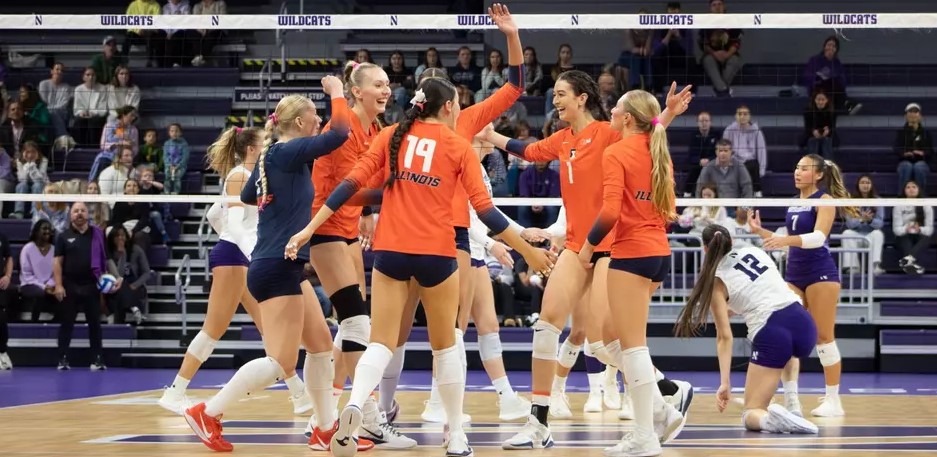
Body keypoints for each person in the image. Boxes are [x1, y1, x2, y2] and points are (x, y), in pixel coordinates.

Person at [285, 76, 555, 457]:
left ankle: (356, 405)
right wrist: (526, 250)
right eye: (458, 103)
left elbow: (347, 186)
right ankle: (456, 435)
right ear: (447, 107)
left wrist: (309, 228)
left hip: (391, 253)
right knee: (445, 347)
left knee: (379, 341)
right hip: (438, 254)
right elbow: (485, 212)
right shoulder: (457, 145)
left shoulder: (391, 135)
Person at [486, 76, 692, 450]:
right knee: (546, 324)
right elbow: (530, 153)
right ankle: (539, 422)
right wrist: (493, 138)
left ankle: (663, 395)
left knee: (601, 343)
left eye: (561, 95)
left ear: (581, 99)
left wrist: (667, 114)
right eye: (553, 96)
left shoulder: (606, 133)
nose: (555, 101)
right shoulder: (562, 140)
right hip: (577, 244)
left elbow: (645, 133)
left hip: (611, 246)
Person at [183, 76, 359, 453]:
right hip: (274, 265)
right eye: (315, 116)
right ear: (298, 122)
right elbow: (341, 132)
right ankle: (208, 412)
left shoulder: (270, 157)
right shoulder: (284, 152)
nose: (320, 123)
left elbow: (250, 195)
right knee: (280, 361)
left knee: (321, 346)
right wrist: (339, 92)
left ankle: (325, 428)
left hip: (281, 263)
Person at [575, 88, 690, 456]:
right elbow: (668, 209)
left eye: (617, 107)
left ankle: (644, 435)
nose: (610, 110)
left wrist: (589, 246)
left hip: (631, 253)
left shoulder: (617, 152)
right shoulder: (658, 151)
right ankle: (659, 409)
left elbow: (609, 212)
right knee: (609, 341)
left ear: (627, 118)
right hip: (657, 253)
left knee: (632, 346)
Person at [307, 57, 399, 446]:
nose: (387, 89)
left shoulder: (375, 127)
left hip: (346, 230)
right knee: (358, 324)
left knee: (351, 327)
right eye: (379, 84)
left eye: (388, 84)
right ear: (357, 92)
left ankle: (324, 418)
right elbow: (346, 187)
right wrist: (399, 195)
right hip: (323, 228)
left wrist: (365, 213)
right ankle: (367, 417)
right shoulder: (341, 128)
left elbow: (368, 181)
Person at [158, 126, 270, 415]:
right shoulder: (240, 176)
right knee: (213, 329)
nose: (268, 147)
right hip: (236, 255)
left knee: (268, 326)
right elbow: (227, 220)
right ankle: (175, 392)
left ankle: (298, 392)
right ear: (251, 149)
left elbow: (212, 214)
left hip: (240, 255)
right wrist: (240, 244)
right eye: (264, 143)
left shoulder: (253, 178)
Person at [674, 224, 819, 435]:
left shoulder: (716, 282)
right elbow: (757, 290)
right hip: (803, 322)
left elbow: (725, 337)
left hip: (772, 330)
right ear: (731, 241)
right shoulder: (753, 251)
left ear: (705, 249)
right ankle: (793, 404)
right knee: (789, 349)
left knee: (750, 413)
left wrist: (725, 383)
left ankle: (771, 420)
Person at [747, 154, 856, 418]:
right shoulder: (796, 203)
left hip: (820, 273)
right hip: (794, 274)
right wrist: (761, 232)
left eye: (804, 169)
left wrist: (784, 241)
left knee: (823, 337)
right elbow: (791, 240)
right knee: (786, 335)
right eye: (796, 167)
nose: (797, 172)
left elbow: (818, 237)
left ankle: (833, 400)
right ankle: (791, 399)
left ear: (818, 175)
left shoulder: (825, 200)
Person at [52, 202, 109, 371]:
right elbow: (57, 262)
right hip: (70, 285)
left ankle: (97, 359)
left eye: (82, 210)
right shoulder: (63, 236)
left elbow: (107, 258)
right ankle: (62, 358)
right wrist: (58, 284)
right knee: (67, 324)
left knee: (95, 324)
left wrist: (116, 277)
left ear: (87, 214)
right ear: (71, 215)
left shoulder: (98, 234)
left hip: (91, 284)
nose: (79, 213)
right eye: (75, 211)